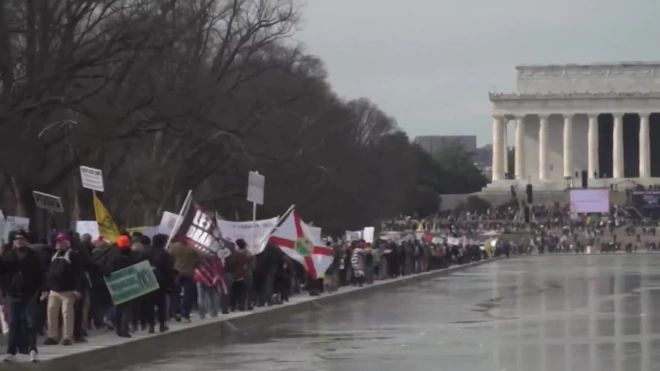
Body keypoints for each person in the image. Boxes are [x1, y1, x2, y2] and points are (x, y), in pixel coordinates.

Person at [0, 230, 44, 362]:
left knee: (30, 322)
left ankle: (32, 349)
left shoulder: (33, 255)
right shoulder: (8, 255)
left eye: (21, 238)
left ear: (26, 240)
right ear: (13, 241)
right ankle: (11, 351)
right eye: (16, 238)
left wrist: (42, 289)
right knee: (13, 323)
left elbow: (40, 273)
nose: (19, 240)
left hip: (29, 294)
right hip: (12, 294)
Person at [43, 233, 84, 346]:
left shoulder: (73, 255)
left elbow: (79, 273)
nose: (57, 243)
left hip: (67, 291)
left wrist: (77, 289)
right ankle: (52, 336)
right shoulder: (54, 255)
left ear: (67, 242)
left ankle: (67, 336)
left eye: (60, 241)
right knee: (51, 312)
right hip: (53, 291)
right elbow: (49, 273)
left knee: (67, 313)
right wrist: (46, 288)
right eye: (57, 241)